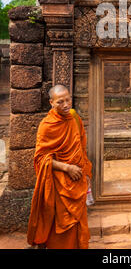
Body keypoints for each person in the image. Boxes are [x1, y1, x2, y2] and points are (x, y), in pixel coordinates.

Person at [27, 84, 92, 249]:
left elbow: (81, 148)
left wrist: (86, 173)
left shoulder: (74, 118)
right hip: (58, 183)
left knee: (79, 223)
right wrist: (67, 168)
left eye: (68, 99)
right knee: (60, 225)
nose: (65, 104)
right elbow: (41, 158)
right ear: (51, 103)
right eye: (60, 101)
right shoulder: (46, 126)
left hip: (77, 180)